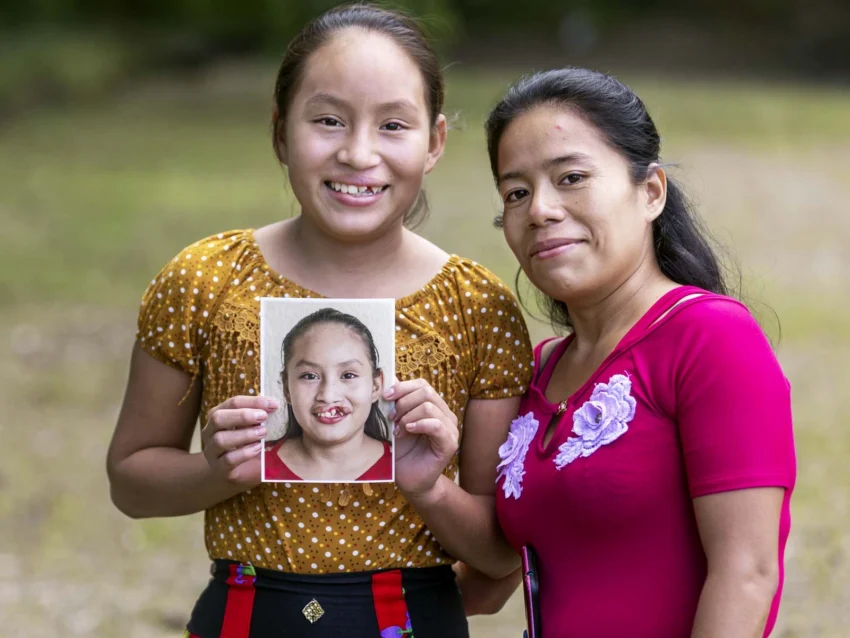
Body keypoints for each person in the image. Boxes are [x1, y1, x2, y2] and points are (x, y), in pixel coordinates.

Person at [105, 4, 533, 637]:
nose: (359, 154)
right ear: (280, 132)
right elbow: (131, 481)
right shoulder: (205, 279)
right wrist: (214, 471)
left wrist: (430, 489)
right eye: (328, 120)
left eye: (393, 125)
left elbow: (499, 554)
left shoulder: (477, 305)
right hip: (244, 617)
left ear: (435, 141)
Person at [477, 68, 795, 637]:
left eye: (571, 177)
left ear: (650, 192)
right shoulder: (539, 370)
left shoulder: (709, 337)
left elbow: (747, 573)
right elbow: (494, 573)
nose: (540, 210)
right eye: (516, 192)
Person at [263, 307, 393, 482]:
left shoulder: (404, 465)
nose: (328, 395)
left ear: (376, 386)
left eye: (348, 375)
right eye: (309, 376)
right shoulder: (253, 464)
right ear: (287, 388)